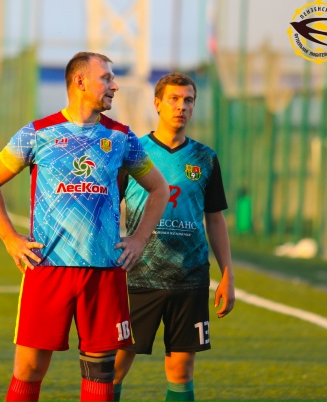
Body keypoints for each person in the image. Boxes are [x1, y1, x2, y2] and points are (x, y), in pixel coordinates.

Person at [0, 52, 169, 402]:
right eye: (106, 78)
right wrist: (9, 238)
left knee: (100, 373)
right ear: (80, 81)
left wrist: (139, 239)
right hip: (48, 267)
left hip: (104, 272)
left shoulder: (122, 137)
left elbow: (159, 188)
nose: (114, 85)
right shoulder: (37, 133)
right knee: (29, 369)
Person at [113, 73, 236, 402]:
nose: (181, 106)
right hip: (137, 275)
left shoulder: (205, 158)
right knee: (115, 365)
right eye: (174, 99)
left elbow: (215, 218)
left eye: (188, 100)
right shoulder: (134, 152)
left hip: (190, 277)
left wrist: (227, 273)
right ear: (157, 104)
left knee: (181, 370)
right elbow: (110, 207)